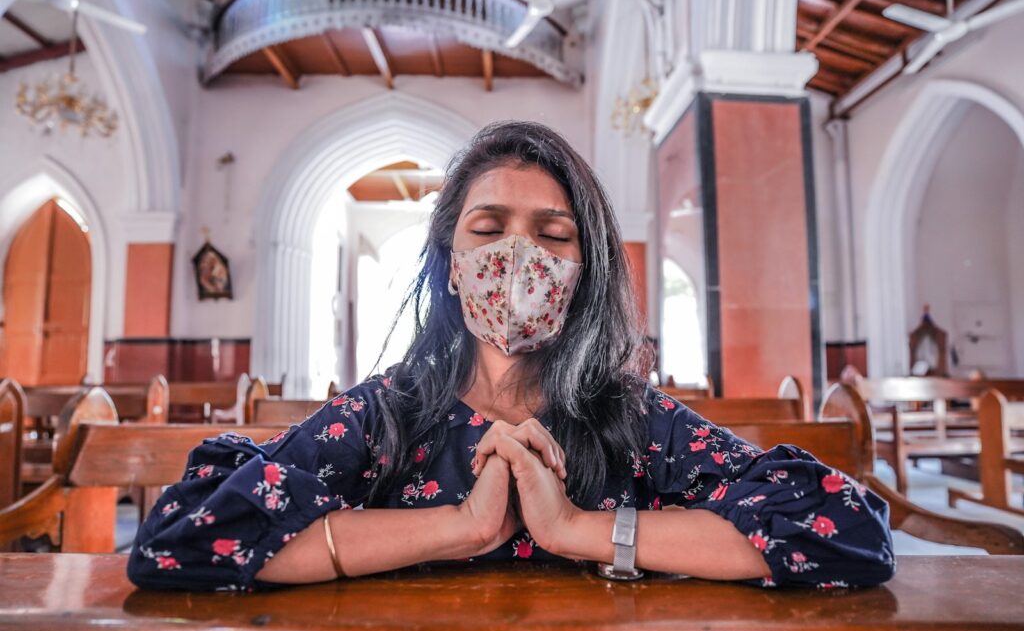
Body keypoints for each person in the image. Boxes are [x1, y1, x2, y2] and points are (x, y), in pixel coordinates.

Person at [128, 121, 895, 591]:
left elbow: (846, 531)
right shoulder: (385, 416)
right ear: (449, 262)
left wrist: (577, 528)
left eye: (554, 235)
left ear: (586, 266)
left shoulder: (636, 421)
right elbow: (182, 537)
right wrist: (458, 526)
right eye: (488, 227)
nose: (519, 256)